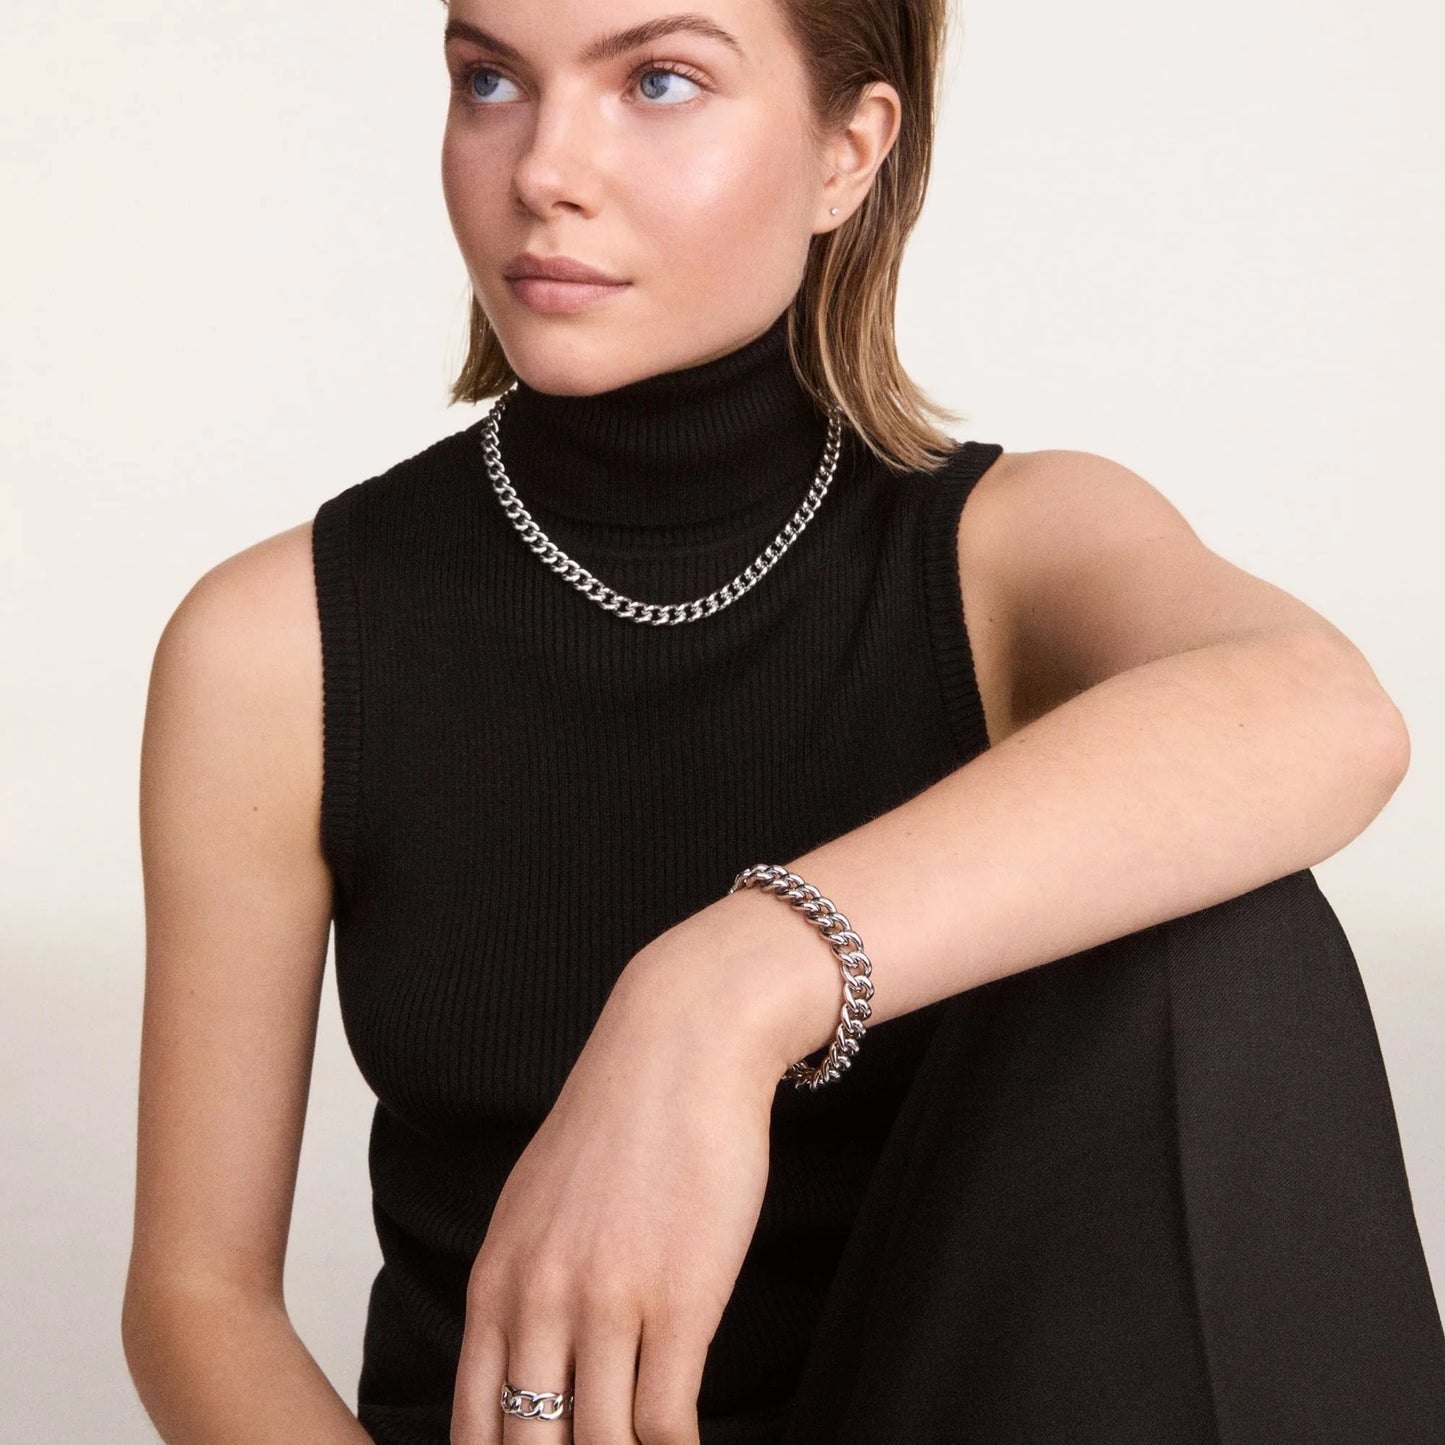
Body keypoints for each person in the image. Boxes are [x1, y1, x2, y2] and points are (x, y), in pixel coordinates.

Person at [122, 0, 1445, 1441]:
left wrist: (718, 995)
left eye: (660, 80)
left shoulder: (1013, 553)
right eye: (491, 79)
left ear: (845, 152)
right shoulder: (280, 642)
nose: (544, 169)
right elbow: (198, 1297)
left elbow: (1325, 708)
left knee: (1216, 919)